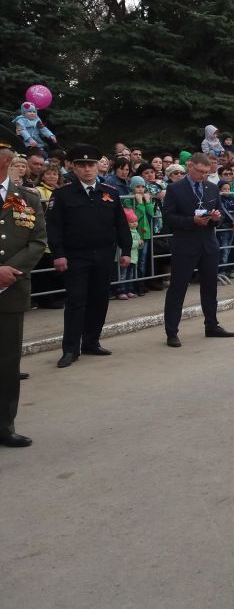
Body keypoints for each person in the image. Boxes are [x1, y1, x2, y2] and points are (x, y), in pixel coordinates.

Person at [45, 145, 132, 368]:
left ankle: (92, 341)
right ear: (73, 167)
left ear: (97, 166)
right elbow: (54, 228)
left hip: (104, 255)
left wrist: (126, 250)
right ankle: (70, 349)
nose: (87, 169)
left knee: (100, 300)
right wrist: (58, 255)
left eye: (91, 165)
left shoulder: (109, 192)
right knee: (76, 302)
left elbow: (121, 224)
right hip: (76, 257)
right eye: (82, 165)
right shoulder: (62, 194)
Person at [161, 152, 234, 347]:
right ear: (190, 166)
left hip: (209, 244)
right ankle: (172, 331)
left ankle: (211, 325)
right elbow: (168, 219)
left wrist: (215, 218)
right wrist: (191, 221)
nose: (202, 175)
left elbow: (220, 215)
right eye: (200, 171)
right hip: (185, 245)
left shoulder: (211, 188)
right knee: (178, 289)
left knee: (210, 287)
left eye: (206, 172)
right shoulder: (175, 189)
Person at [0, 139, 47, 447]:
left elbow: (37, 241)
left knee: (7, 362)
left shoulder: (28, 198)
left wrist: (7, 272)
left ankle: (4, 425)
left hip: (11, 289)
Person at [115, 208, 142, 299]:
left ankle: (129, 289)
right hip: (126, 257)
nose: (135, 223)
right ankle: (121, 290)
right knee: (122, 275)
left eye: (135, 221)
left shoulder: (136, 231)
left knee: (130, 275)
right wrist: (138, 243)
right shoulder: (126, 232)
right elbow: (129, 243)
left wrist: (140, 244)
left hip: (133, 258)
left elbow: (137, 245)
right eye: (131, 222)